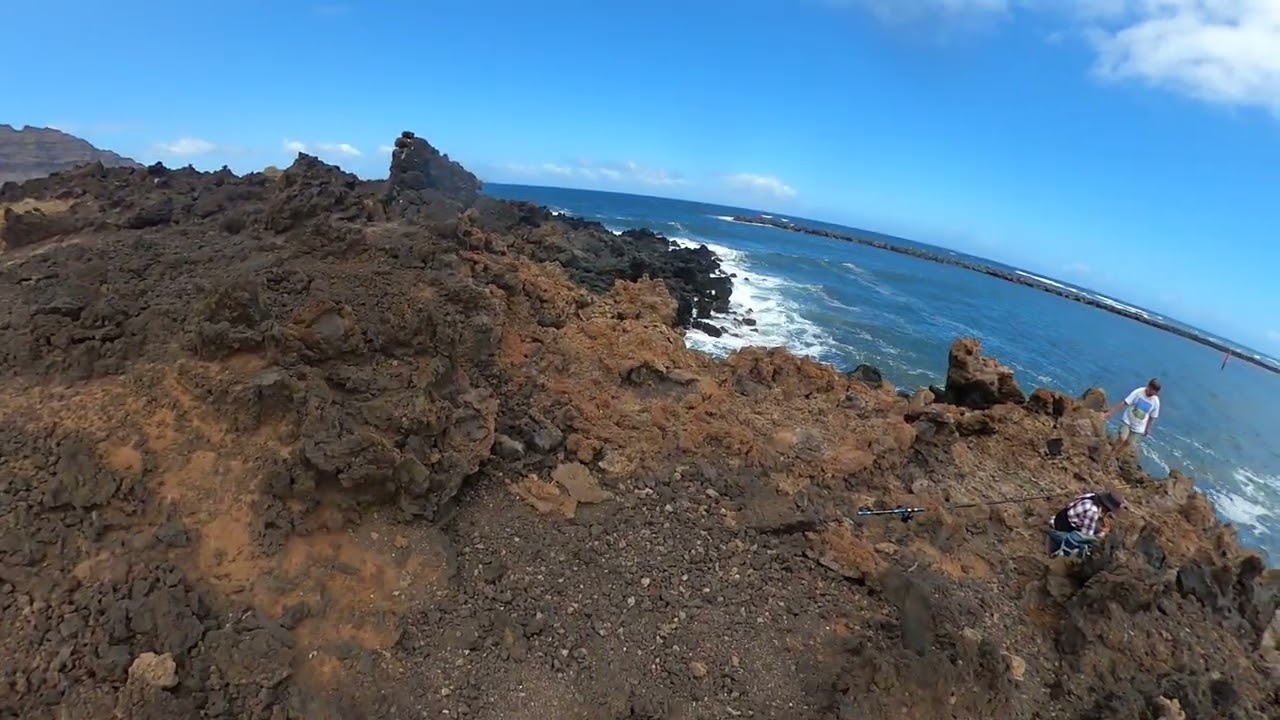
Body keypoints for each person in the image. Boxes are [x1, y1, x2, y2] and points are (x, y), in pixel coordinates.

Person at [1047, 491, 1123, 557]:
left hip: (1063, 515)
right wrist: (1102, 533)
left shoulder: (1091, 496)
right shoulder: (1092, 511)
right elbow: (1085, 536)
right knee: (1088, 544)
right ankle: (1062, 549)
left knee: (1096, 528)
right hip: (1064, 526)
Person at [1105, 378, 1161, 447]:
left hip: (1139, 426)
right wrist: (1111, 412)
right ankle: (1111, 453)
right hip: (1128, 420)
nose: (1152, 393)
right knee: (1122, 438)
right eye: (1151, 390)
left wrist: (1148, 429)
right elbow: (1124, 402)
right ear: (1148, 386)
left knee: (1128, 443)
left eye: (1155, 392)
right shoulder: (1138, 392)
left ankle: (1115, 454)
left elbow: (1153, 417)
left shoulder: (1156, 401)